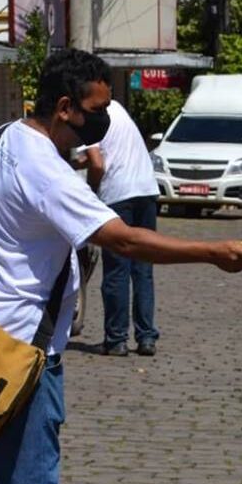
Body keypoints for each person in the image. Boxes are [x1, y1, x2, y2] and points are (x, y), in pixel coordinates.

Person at [0, 48, 242, 484]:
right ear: (64, 107)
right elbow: (123, 240)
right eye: (96, 110)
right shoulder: (46, 170)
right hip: (23, 361)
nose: (103, 120)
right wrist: (212, 252)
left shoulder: (1, 139)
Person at [82, 99, 162, 357]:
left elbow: (97, 164)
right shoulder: (116, 108)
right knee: (143, 267)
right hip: (146, 190)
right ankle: (146, 337)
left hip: (118, 194)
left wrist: (89, 192)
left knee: (117, 268)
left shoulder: (87, 116)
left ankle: (116, 339)